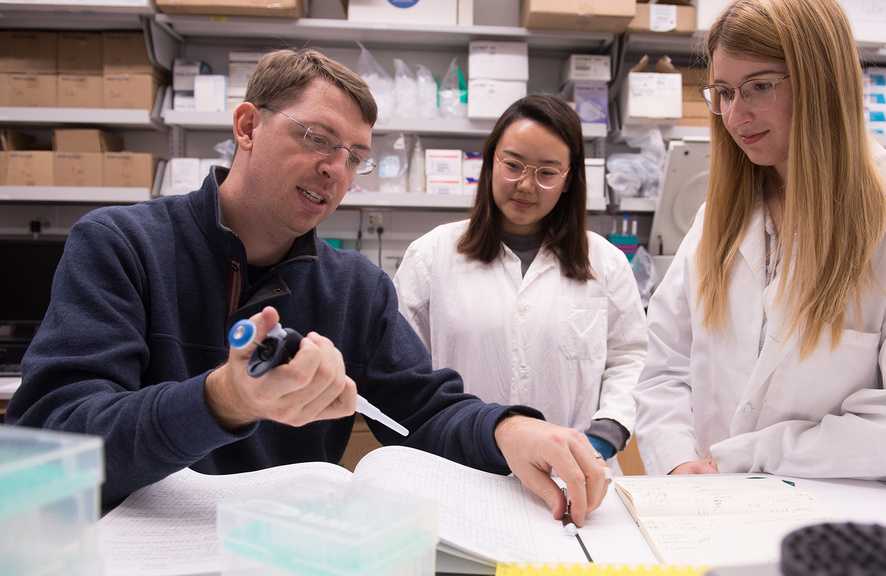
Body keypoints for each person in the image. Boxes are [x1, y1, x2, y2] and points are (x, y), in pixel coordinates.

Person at [6, 48, 609, 525]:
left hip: (284, 552)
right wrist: (223, 399)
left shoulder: (357, 289)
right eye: (317, 138)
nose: (336, 169)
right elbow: (59, 437)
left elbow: (423, 411)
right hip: (138, 551)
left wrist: (510, 429)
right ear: (246, 125)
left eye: (355, 156)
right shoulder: (121, 245)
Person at [632, 0, 886, 481]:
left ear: (822, 81)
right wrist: (677, 461)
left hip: (840, 518)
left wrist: (744, 458)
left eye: (760, 87)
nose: (735, 115)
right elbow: (665, 368)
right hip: (709, 507)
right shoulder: (718, 220)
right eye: (725, 92)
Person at [393, 94, 648, 473]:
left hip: (574, 472)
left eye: (546, 172)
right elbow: (403, 371)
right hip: (461, 472)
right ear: (491, 162)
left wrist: (605, 432)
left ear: (568, 180)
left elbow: (630, 357)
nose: (526, 185)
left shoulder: (605, 262)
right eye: (513, 165)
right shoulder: (430, 255)